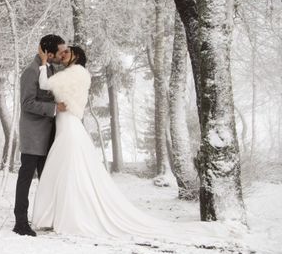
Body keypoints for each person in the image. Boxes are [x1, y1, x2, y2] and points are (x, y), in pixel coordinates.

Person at [31, 45, 224, 242]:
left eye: (66, 53)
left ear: (76, 56)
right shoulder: (77, 73)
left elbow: (45, 85)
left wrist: (43, 63)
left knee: (68, 168)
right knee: (66, 168)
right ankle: (61, 213)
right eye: (61, 53)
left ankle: (69, 215)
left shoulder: (75, 72)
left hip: (69, 124)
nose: (62, 55)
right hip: (67, 124)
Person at [13, 34, 68, 237]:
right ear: (49, 53)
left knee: (47, 178)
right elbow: (27, 103)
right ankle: (20, 221)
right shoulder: (31, 71)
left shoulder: (49, 68)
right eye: (59, 52)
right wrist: (54, 108)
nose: (62, 55)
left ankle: (46, 218)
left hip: (48, 135)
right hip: (34, 135)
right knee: (26, 178)